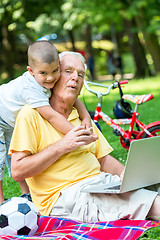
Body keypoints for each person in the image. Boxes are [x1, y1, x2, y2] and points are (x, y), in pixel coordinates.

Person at [10, 51, 160, 222]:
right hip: (65, 197)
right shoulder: (30, 115)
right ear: (54, 76)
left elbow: (103, 159)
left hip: (100, 185)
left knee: (153, 185)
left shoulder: (82, 118)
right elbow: (17, 171)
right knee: (154, 203)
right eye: (68, 71)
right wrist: (63, 145)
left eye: (80, 74)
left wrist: (125, 174)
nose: (75, 77)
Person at [0, 41, 91, 203]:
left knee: (16, 151)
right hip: (1, 116)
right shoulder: (31, 89)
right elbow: (52, 116)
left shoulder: (46, 77)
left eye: (56, 71)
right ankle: (0, 202)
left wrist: (86, 117)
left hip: (11, 118)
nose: (50, 78)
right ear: (31, 71)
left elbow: (75, 98)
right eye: (43, 73)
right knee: (1, 158)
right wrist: (76, 134)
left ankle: (26, 194)